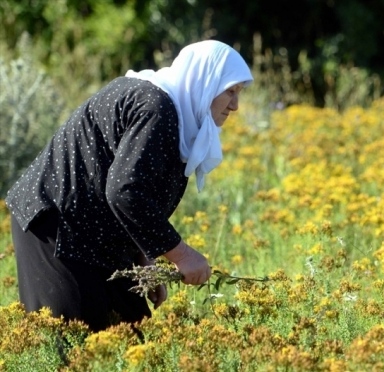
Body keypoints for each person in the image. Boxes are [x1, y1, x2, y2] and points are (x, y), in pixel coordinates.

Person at [5, 40, 253, 332]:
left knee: (130, 341)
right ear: (206, 82)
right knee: (72, 348)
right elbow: (126, 192)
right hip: (56, 228)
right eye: (230, 91)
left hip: (94, 236)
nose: (235, 105)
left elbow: (131, 186)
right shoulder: (155, 106)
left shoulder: (167, 107)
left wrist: (143, 256)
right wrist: (182, 255)